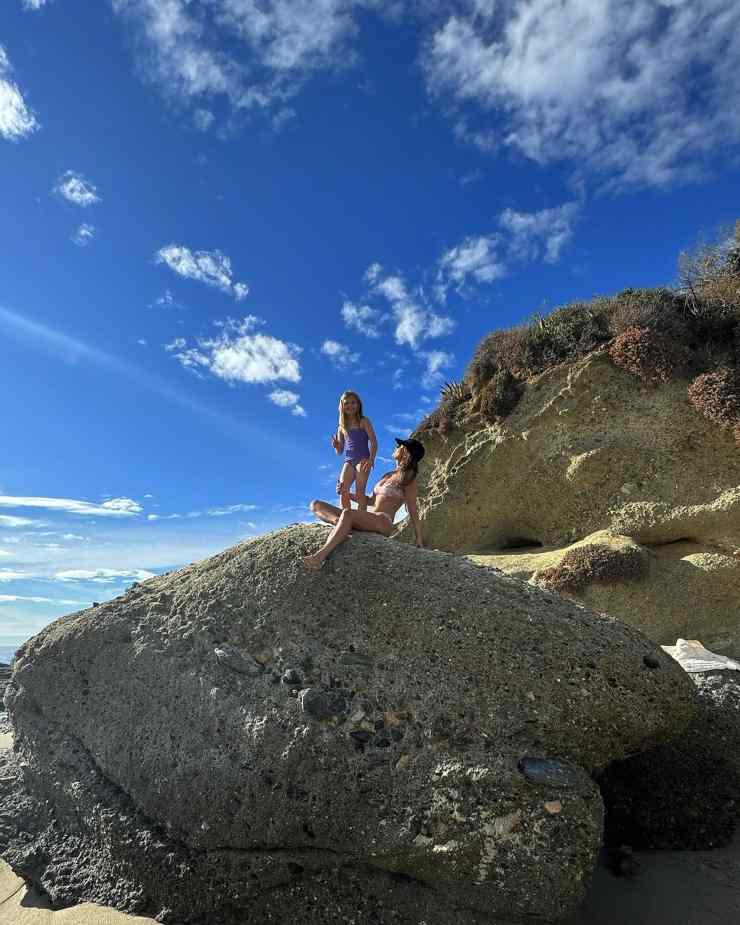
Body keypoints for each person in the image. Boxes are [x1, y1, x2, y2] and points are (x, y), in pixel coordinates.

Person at [302, 437, 425, 569]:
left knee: (348, 513)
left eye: (399, 446)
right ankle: (342, 524)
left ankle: (320, 557)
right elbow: (371, 501)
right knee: (316, 505)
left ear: (406, 451)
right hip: (369, 518)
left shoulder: (409, 479)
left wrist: (419, 539)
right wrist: (346, 493)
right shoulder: (387, 475)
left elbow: (413, 510)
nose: (395, 448)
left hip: (383, 521)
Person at [331, 391, 377, 513]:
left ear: (358, 405)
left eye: (353, 403)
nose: (350, 406)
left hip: (363, 459)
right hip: (349, 461)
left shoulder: (364, 421)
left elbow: (373, 442)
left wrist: (371, 459)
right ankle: (347, 518)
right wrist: (336, 446)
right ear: (342, 406)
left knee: (359, 492)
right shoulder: (341, 426)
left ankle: (362, 519)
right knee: (342, 489)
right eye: (346, 403)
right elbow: (340, 451)